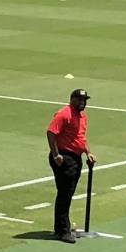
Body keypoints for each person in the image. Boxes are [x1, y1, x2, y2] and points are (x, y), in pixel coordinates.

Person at [47, 89, 93, 242]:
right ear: (72, 99)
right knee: (65, 193)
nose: (82, 102)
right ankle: (63, 231)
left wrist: (88, 152)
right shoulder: (64, 113)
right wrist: (56, 154)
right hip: (64, 157)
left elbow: (80, 137)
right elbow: (51, 132)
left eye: (84, 100)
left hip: (75, 157)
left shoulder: (82, 116)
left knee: (67, 193)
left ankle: (60, 228)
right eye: (79, 99)